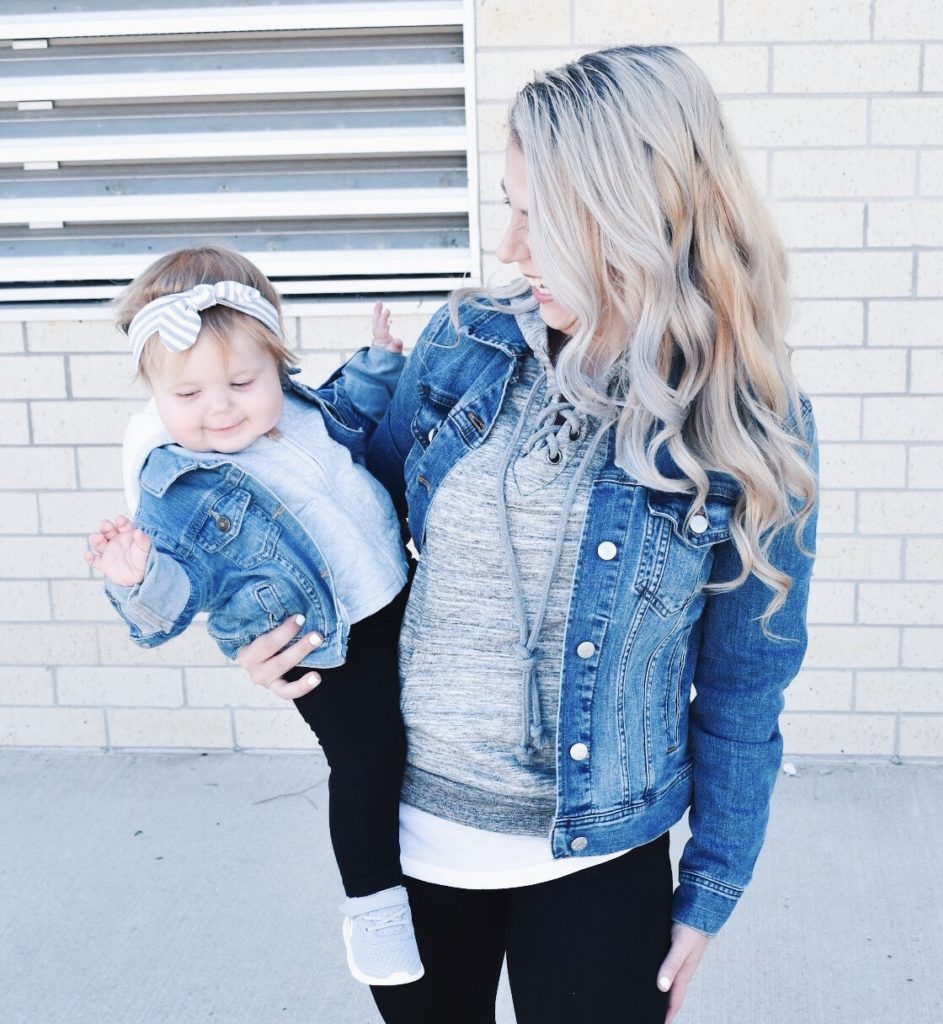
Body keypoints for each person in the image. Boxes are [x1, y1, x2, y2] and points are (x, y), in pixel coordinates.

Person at [234, 45, 820, 1024]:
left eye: (533, 217)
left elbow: (745, 682)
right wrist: (275, 624)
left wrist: (712, 886)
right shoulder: (465, 341)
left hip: (601, 854)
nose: (508, 248)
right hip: (413, 843)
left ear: (631, 213)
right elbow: (346, 520)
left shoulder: (747, 419)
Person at [83, 245, 426, 987]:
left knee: (412, 740)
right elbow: (170, 607)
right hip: (314, 644)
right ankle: (374, 902)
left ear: (277, 365)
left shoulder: (297, 413)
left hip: (392, 596)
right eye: (187, 396)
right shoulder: (177, 484)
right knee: (366, 760)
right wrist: (137, 576)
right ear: (153, 396)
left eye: (242, 381)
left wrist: (377, 363)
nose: (219, 408)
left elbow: (352, 414)